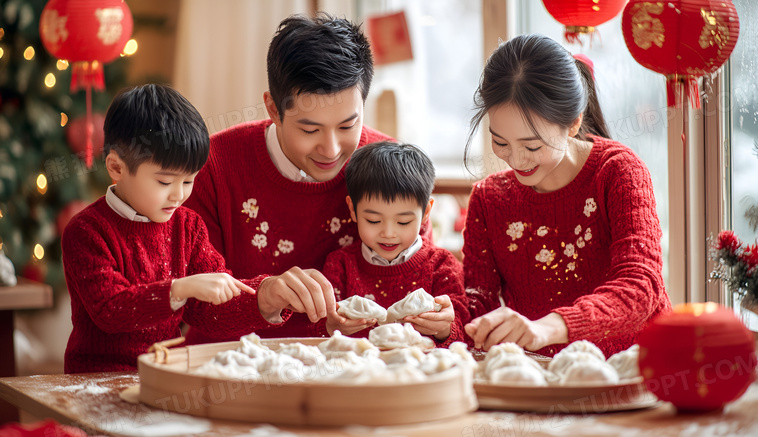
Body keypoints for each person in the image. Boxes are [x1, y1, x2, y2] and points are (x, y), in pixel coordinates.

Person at [183, 13, 429, 344]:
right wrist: (264, 295)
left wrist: (437, 316)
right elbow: (191, 304)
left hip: (355, 372)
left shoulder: (394, 168)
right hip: (228, 368)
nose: (330, 149)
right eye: (309, 129)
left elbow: (422, 278)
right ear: (273, 109)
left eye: (347, 126)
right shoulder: (214, 165)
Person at [462, 34, 672, 358]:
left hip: (636, 375)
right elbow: (479, 308)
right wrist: (447, 322)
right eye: (500, 142)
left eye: (532, 146)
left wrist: (547, 328)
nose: (516, 161)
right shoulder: (489, 200)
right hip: (545, 387)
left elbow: (640, 287)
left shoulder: (617, 172)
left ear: (573, 123)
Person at [62, 84, 293, 373]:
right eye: (164, 182)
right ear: (117, 168)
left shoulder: (189, 226)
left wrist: (266, 298)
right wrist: (180, 289)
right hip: (95, 379)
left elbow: (212, 314)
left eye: (188, 181)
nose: (178, 195)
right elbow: (111, 310)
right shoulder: (86, 231)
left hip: (162, 372)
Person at [316, 142, 469, 346]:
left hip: (419, 373)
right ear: (352, 209)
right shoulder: (340, 265)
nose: (388, 233)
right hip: (356, 374)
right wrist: (331, 326)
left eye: (403, 222)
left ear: (425, 213)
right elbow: (317, 330)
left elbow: (464, 334)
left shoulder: (441, 264)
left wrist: (443, 329)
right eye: (373, 221)